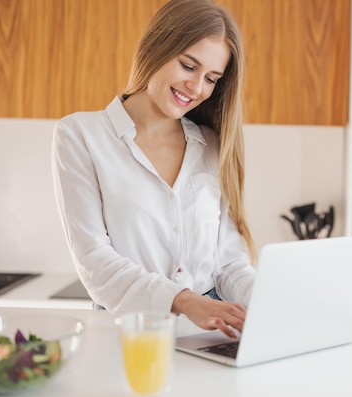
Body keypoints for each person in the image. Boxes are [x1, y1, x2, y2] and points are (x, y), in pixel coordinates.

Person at [51, 0, 255, 339]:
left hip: (211, 335)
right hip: (128, 332)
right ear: (158, 47)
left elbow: (231, 265)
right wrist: (184, 301)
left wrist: (273, 302)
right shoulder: (80, 135)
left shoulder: (213, 144)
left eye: (211, 78)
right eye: (188, 66)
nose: (197, 88)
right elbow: (95, 262)